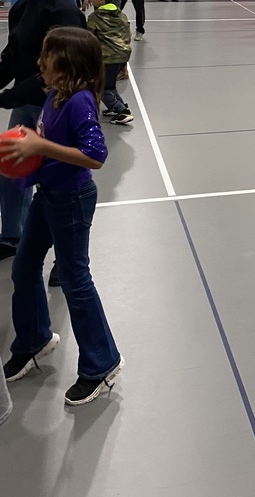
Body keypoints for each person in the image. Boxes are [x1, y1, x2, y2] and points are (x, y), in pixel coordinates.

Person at [0, 27, 123, 406]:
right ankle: (35, 340)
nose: (41, 63)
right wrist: (29, 141)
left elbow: (95, 156)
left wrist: (41, 145)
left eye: (47, 57)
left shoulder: (80, 102)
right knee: (23, 267)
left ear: (66, 63)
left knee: (74, 280)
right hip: (47, 195)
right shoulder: (54, 94)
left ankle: (102, 364)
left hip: (72, 199)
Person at [0, 0, 85, 262]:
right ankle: (12, 237)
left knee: (54, 187)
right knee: (10, 171)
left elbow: (55, 75)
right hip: (25, 104)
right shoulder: (22, 7)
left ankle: (66, 256)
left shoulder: (63, 11)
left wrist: (6, 98)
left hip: (55, 111)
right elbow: (11, 59)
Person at [88, 0, 134, 123]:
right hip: (123, 55)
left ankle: (121, 111)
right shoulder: (122, 15)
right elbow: (128, 34)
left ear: (101, 0)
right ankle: (119, 107)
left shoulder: (95, 18)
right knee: (110, 84)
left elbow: (89, 37)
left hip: (107, 58)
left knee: (100, 87)